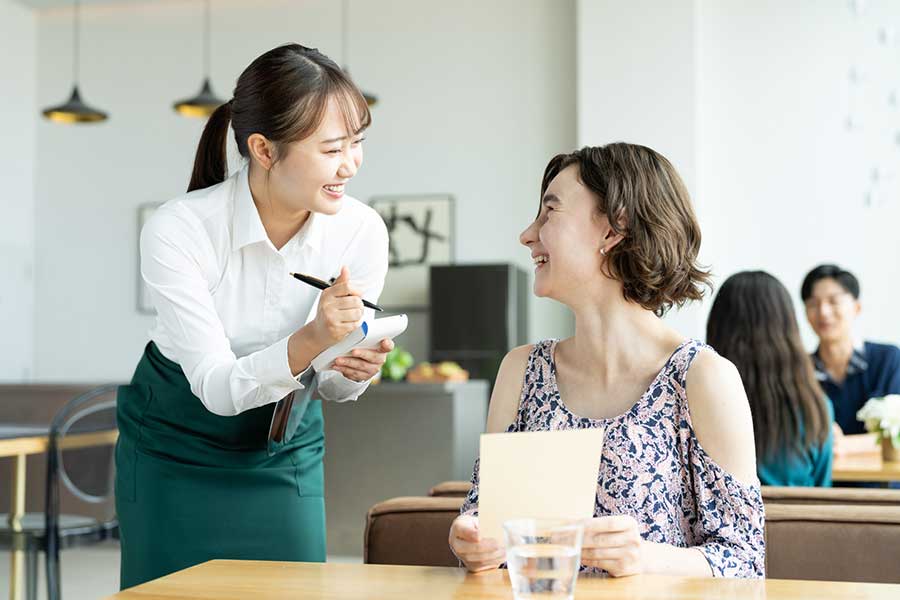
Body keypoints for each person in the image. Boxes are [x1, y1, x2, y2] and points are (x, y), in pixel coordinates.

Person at [115, 44, 391, 588]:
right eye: (333, 147)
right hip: (175, 445)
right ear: (264, 149)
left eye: (356, 144)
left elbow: (331, 384)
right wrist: (314, 337)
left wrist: (352, 368)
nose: (351, 164)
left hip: (282, 444)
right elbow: (218, 388)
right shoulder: (181, 230)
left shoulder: (361, 231)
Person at [448, 143, 765, 578]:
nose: (527, 234)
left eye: (549, 212)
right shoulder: (521, 371)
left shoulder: (702, 378)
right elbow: (488, 529)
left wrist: (645, 558)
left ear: (614, 230)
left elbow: (747, 561)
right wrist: (472, 542)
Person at [707, 271, 833, 487]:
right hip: (800, 520)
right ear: (789, 328)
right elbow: (823, 491)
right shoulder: (816, 408)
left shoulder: (695, 400)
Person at [801, 264, 900, 437]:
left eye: (834, 301)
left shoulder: (887, 359)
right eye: (813, 304)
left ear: (856, 307)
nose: (823, 312)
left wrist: (843, 445)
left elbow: (895, 436)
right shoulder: (800, 369)